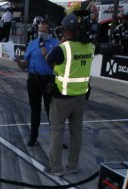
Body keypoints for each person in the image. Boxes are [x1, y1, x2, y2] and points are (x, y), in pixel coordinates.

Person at [44, 14, 94, 177]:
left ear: (66, 30)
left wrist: (62, 41)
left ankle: (56, 167)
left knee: (57, 131)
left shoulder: (63, 48)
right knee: (76, 132)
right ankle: (73, 165)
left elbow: (49, 59)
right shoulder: (89, 47)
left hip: (62, 97)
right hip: (81, 97)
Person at [16, 18, 60, 147]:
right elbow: (25, 64)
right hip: (33, 80)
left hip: (48, 81)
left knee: (51, 111)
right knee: (34, 110)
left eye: (44, 30)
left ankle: (56, 139)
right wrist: (18, 61)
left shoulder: (56, 44)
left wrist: (44, 51)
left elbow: (57, 65)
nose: (41, 32)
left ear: (49, 31)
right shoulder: (32, 43)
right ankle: (33, 137)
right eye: (39, 29)